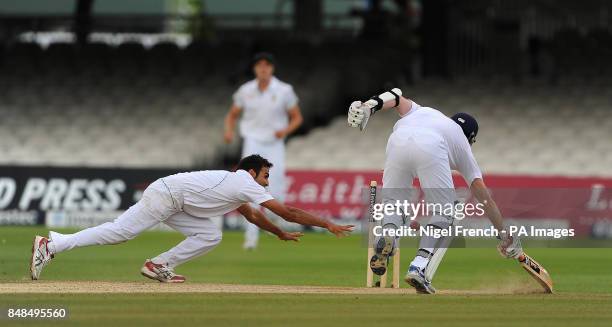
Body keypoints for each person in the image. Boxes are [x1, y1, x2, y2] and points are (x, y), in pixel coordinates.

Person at [30, 155, 353, 283]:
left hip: (177, 202)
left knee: (210, 235)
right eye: (266, 175)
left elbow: (253, 216)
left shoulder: (237, 187)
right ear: (252, 171)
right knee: (121, 232)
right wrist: (327, 224)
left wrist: (278, 234)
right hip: (168, 195)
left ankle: (158, 265)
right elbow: (287, 211)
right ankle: (52, 244)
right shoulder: (244, 181)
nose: (267, 181)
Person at [347, 89, 522, 294]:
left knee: (394, 204)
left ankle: (388, 234)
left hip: (397, 141)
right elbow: (485, 199)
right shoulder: (462, 143)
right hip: (430, 146)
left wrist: (370, 105)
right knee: (444, 211)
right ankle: (418, 267)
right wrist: (504, 234)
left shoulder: (424, 112)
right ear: (471, 137)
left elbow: (395, 96)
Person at [224, 52, 303, 250]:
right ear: (254, 68)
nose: (263, 68)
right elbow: (232, 115)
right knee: (247, 186)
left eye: (267, 65)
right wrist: (228, 131)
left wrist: (284, 131)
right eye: (259, 65)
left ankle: (272, 227)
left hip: (274, 143)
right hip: (252, 141)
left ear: (272, 68)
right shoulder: (246, 90)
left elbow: (297, 118)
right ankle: (250, 237)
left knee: (275, 186)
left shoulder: (284, 90)